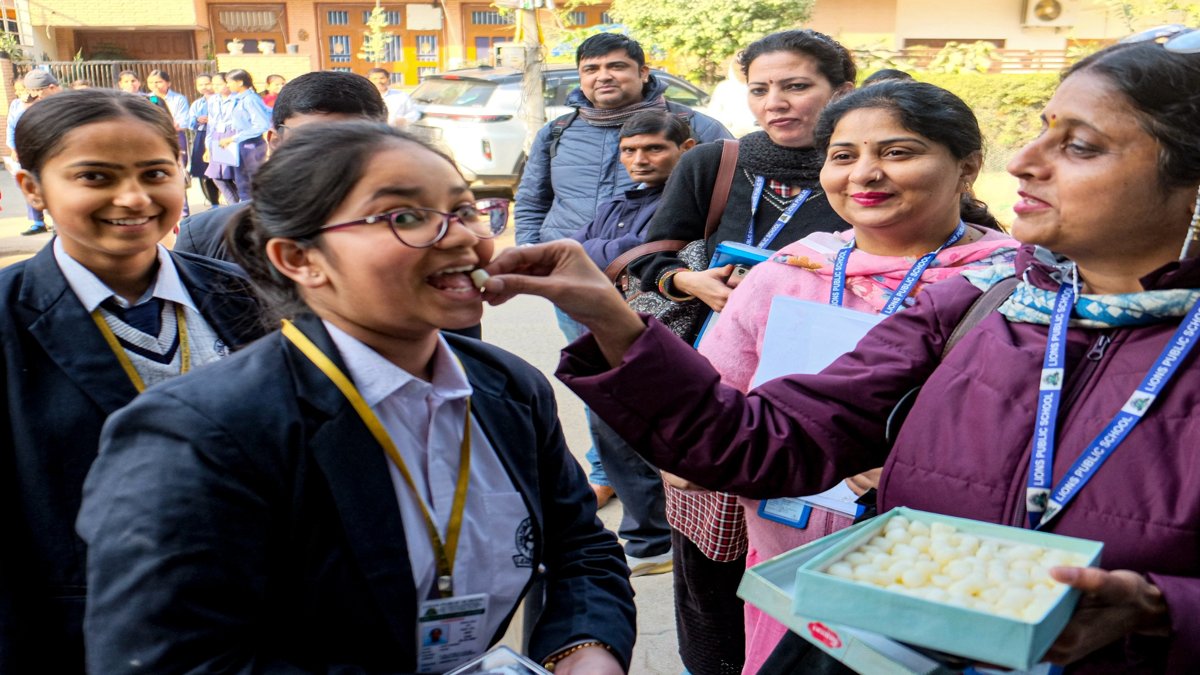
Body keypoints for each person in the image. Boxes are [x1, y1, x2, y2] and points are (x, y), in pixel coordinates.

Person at [481, 32, 1200, 672]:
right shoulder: (986, 301)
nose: (1024, 161)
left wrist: (1162, 608)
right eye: (1042, 130)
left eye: (1080, 146)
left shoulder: (979, 279)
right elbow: (764, 439)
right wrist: (611, 318)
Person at [77, 120, 635, 674]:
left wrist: (585, 648)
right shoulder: (198, 433)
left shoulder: (506, 386)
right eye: (405, 217)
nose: (463, 237)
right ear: (299, 259)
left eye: (465, 210)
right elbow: (171, 658)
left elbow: (580, 547)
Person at [695, 81, 1017, 673]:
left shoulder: (1018, 289)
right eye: (843, 156)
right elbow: (711, 413)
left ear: (967, 167)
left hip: (946, 578)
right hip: (787, 569)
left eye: (897, 152)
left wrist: (917, 472)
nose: (864, 174)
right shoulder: (787, 274)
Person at [0, 88, 263, 674]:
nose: (134, 198)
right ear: (32, 189)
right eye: (95, 176)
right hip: (79, 629)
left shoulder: (243, 296)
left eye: (155, 173)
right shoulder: (7, 318)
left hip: (248, 617)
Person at [627, 28, 858, 675]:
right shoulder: (717, 163)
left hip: (824, 401)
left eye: (796, 86)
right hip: (717, 388)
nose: (775, 102)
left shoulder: (862, 170)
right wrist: (690, 281)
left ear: (842, 91)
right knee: (708, 568)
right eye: (760, 89)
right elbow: (649, 258)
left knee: (805, 565)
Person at [514, 30, 730, 524]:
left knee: (658, 395)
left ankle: (665, 508)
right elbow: (531, 199)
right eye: (591, 69)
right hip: (576, 286)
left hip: (662, 290)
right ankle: (611, 480)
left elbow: (718, 202)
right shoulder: (559, 130)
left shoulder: (697, 126)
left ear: (642, 72)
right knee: (601, 390)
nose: (603, 76)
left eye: (615, 66)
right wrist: (534, 255)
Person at [566, 109, 696, 578]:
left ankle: (669, 538)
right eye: (629, 150)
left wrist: (597, 253)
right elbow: (576, 248)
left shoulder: (689, 201)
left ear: (686, 150)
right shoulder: (620, 201)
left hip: (660, 334)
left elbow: (644, 254)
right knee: (610, 431)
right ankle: (648, 540)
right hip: (607, 327)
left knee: (658, 439)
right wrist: (604, 254)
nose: (639, 159)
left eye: (653, 148)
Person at [176, 70, 387, 262]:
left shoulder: (403, 233)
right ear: (276, 142)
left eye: (355, 140)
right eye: (312, 139)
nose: (332, 155)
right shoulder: (204, 239)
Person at [8, 70, 63, 236]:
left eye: (36, 91)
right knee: (32, 185)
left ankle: (60, 224)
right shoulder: (22, 104)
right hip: (34, 154)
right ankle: (39, 222)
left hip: (56, 154)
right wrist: (14, 148)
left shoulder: (64, 102)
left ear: (51, 87)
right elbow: (13, 126)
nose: (34, 95)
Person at [218, 69, 271, 202]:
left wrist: (233, 138)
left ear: (240, 82)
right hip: (241, 144)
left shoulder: (251, 99)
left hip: (252, 145)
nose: (227, 85)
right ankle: (247, 210)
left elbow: (261, 125)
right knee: (242, 183)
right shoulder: (237, 99)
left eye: (229, 82)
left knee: (255, 183)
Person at [186, 73, 222, 209]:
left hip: (219, 136)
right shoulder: (197, 104)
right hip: (202, 136)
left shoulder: (222, 100)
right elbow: (190, 123)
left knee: (223, 171)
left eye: (207, 83)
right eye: (200, 84)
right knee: (205, 172)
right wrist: (197, 120)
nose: (204, 87)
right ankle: (214, 203)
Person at [203, 72, 239, 205]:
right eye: (214, 84)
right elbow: (211, 125)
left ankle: (242, 205)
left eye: (219, 84)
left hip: (232, 136)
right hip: (217, 137)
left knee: (234, 175)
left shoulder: (238, 99)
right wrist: (208, 147)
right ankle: (233, 204)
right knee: (217, 176)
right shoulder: (213, 100)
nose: (215, 87)